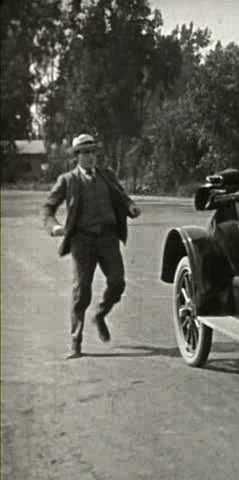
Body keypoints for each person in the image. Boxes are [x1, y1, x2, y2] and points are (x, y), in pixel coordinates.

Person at [42, 134, 141, 359]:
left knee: (117, 282)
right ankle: (76, 342)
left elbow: (122, 197)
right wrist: (54, 226)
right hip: (82, 241)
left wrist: (131, 207)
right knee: (81, 291)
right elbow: (47, 208)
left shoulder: (107, 176)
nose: (90, 157)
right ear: (77, 156)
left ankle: (101, 313)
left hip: (108, 238)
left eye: (93, 152)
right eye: (85, 153)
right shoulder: (68, 180)